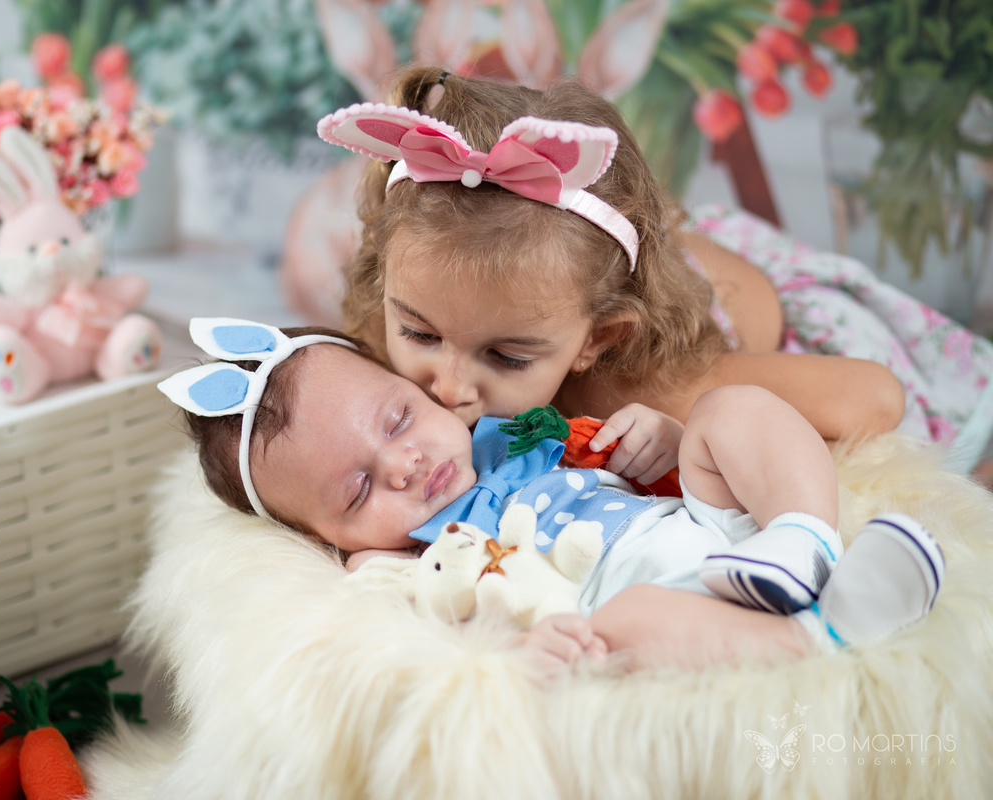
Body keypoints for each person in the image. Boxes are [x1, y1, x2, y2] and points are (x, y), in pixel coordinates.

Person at [322, 68, 993, 485]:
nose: (448, 387)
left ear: (598, 338)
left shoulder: (628, 383)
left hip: (775, 317)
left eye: (507, 356)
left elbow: (875, 397)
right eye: (420, 332)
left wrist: (695, 436)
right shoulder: (422, 311)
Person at [160, 319, 945, 672]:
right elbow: (429, 649)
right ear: (327, 538)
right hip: (634, 594)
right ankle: (824, 632)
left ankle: (803, 539)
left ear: (415, 388)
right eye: (360, 488)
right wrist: (520, 652)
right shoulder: (401, 564)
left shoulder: (512, 433)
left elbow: (634, 466)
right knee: (626, 627)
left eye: (398, 419)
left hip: (705, 526)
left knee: (732, 412)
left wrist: (666, 442)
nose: (403, 464)